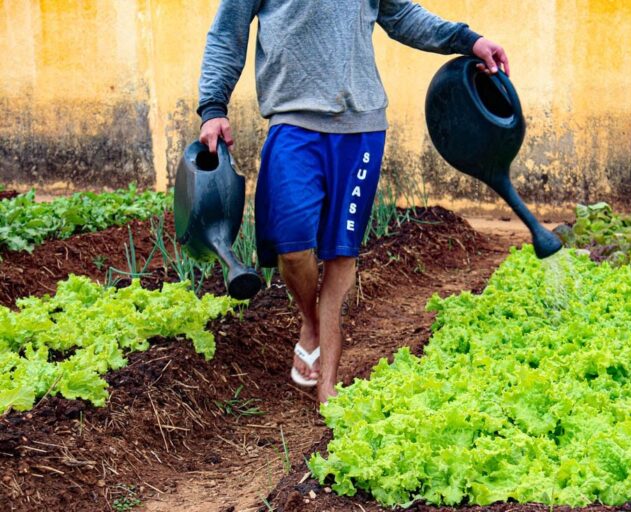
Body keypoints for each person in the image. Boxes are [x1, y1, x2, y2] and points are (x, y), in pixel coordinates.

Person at [197, 0, 509, 403]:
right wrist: (212, 106)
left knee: (341, 254)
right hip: (294, 121)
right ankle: (309, 322)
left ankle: (327, 387)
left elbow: (401, 16)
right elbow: (227, 33)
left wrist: (469, 40)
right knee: (292, 250)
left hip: (362, 126)